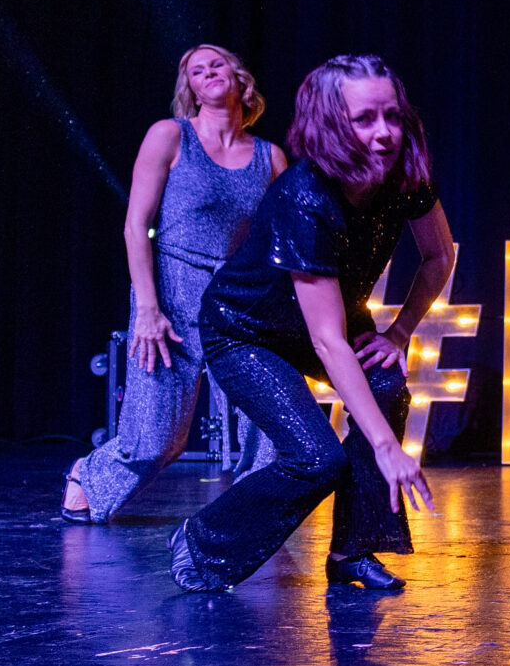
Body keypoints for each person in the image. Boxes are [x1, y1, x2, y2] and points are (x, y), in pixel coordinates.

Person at [169, 55, 453, 594]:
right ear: (331, 123)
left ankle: (351, 551)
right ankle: (203, 541)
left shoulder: (405, 176)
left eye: (392, 116)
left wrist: (398, 333)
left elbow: (439, 257)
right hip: (247, 331)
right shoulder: (304, 196)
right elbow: (327, 340)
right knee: (317, 458)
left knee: (386, 386)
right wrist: (387, 448)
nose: (385, 132)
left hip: (327, 322)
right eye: (364, 119)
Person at [63, 45, 286, 522]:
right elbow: (135, 225)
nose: (208, 72)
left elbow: (279, 239)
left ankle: (252, 515)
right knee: (157, 438)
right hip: (171, 289)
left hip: (237, 294)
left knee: (265, 422)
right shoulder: (170, 136)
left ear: (239, 77)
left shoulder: (270, 157)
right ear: (192, 89)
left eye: (217, 64)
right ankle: (89, 475)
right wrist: (147, 308)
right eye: (196, 70)